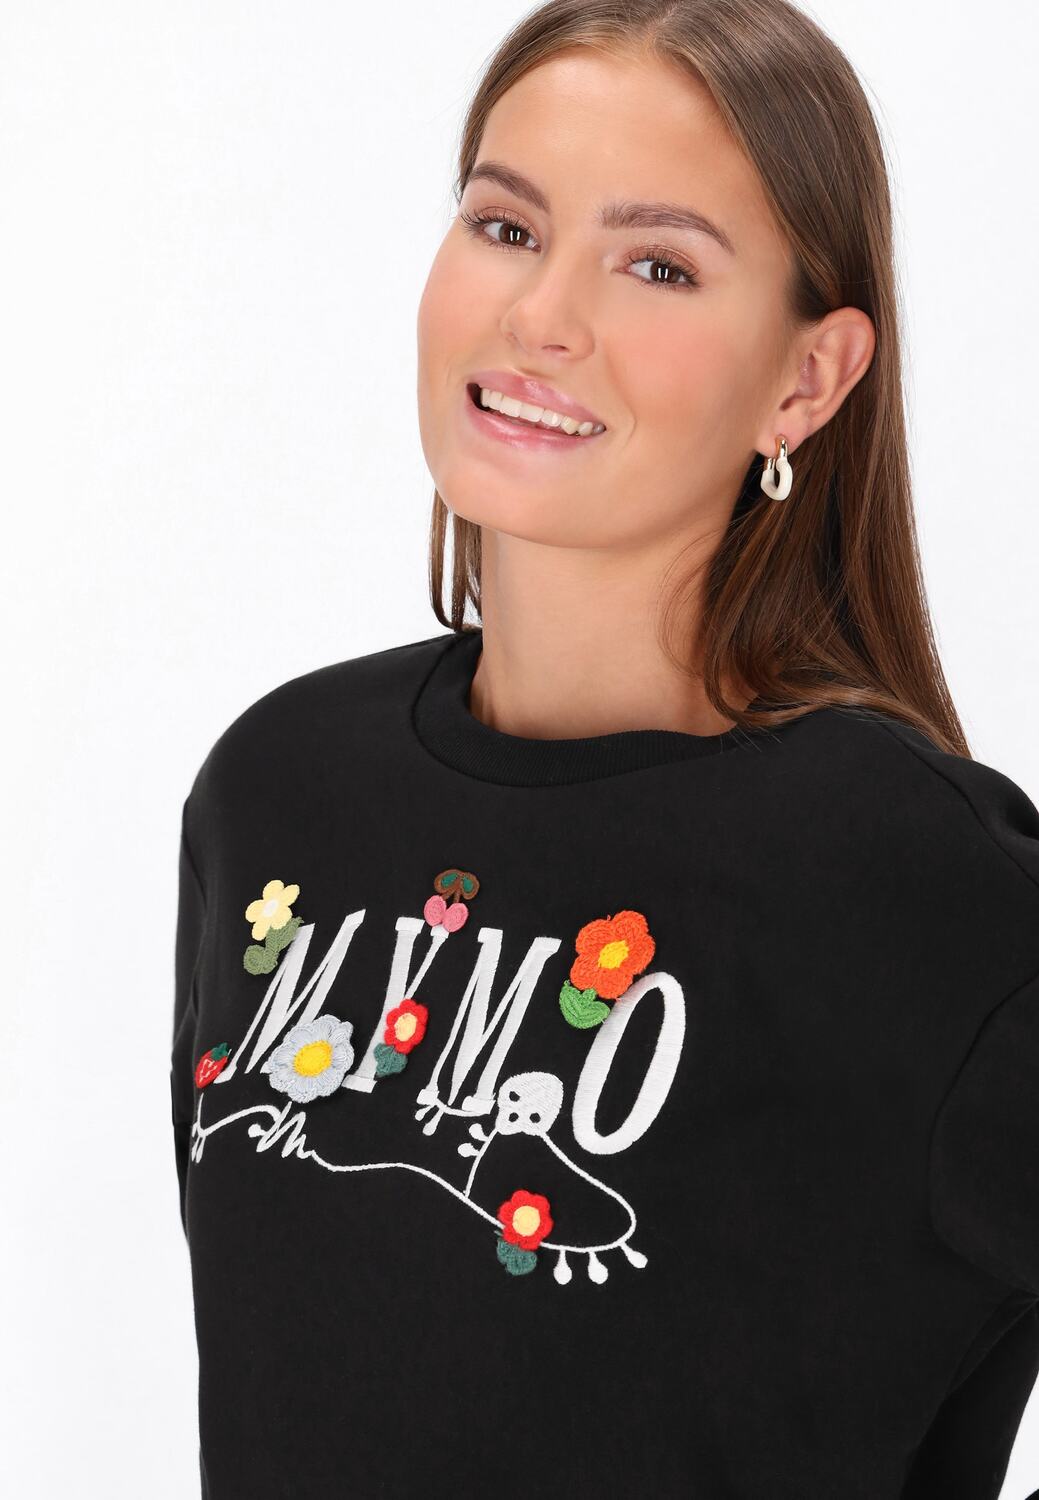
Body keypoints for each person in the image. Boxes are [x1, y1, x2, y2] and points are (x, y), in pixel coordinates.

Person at [170, 1, 1039, 1496]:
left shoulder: (923, 893)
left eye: (658, 265)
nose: (542, 316)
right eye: (506, 227)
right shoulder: (279, 790)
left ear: (808, 379)